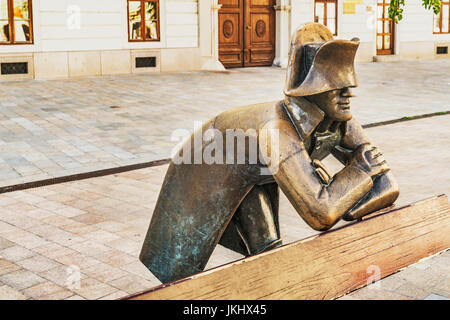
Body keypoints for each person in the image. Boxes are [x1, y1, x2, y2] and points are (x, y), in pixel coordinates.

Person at [140, 23, 400, 284]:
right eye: (337, 86)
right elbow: (321, 214)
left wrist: (339, 194)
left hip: (253, 172)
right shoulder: (277, 131)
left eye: (349, 84)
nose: (349, 93)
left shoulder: (341, 120)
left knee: (269, 258)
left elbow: (387, 188)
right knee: (176, 278)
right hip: (202, 169)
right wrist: (357, 175)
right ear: (312, 89)